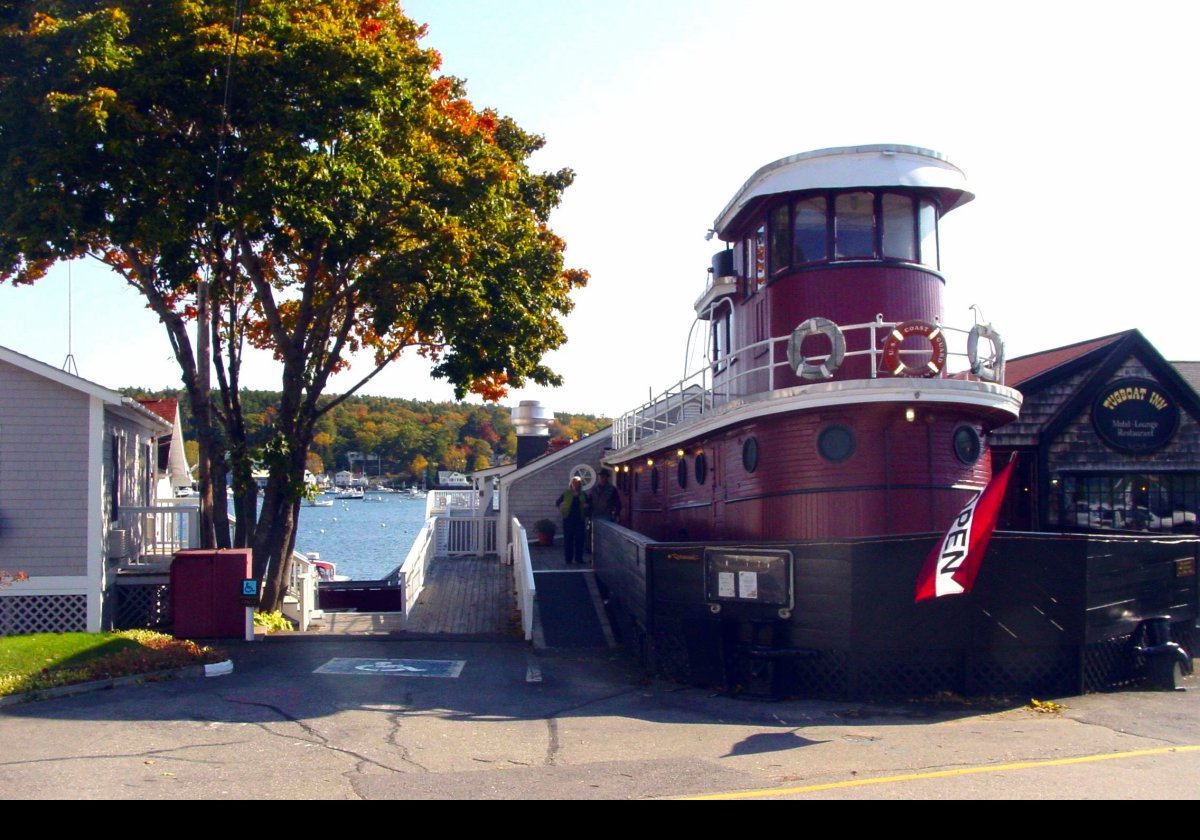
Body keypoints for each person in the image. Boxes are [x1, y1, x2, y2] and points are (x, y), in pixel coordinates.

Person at [556, 475, 591, 565]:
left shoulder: (583, 494)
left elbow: (589, 504)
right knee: (568, 540)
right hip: (568, 520)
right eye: (574, 483)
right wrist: (562, 505)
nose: (575, 485)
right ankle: (568, 560)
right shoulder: (566, 493)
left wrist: (587, 506)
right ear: (571, 484)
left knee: (580, 540)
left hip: (580, 520)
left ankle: (579, 559)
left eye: (577, 483)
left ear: (580, 485)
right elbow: (557, 503)